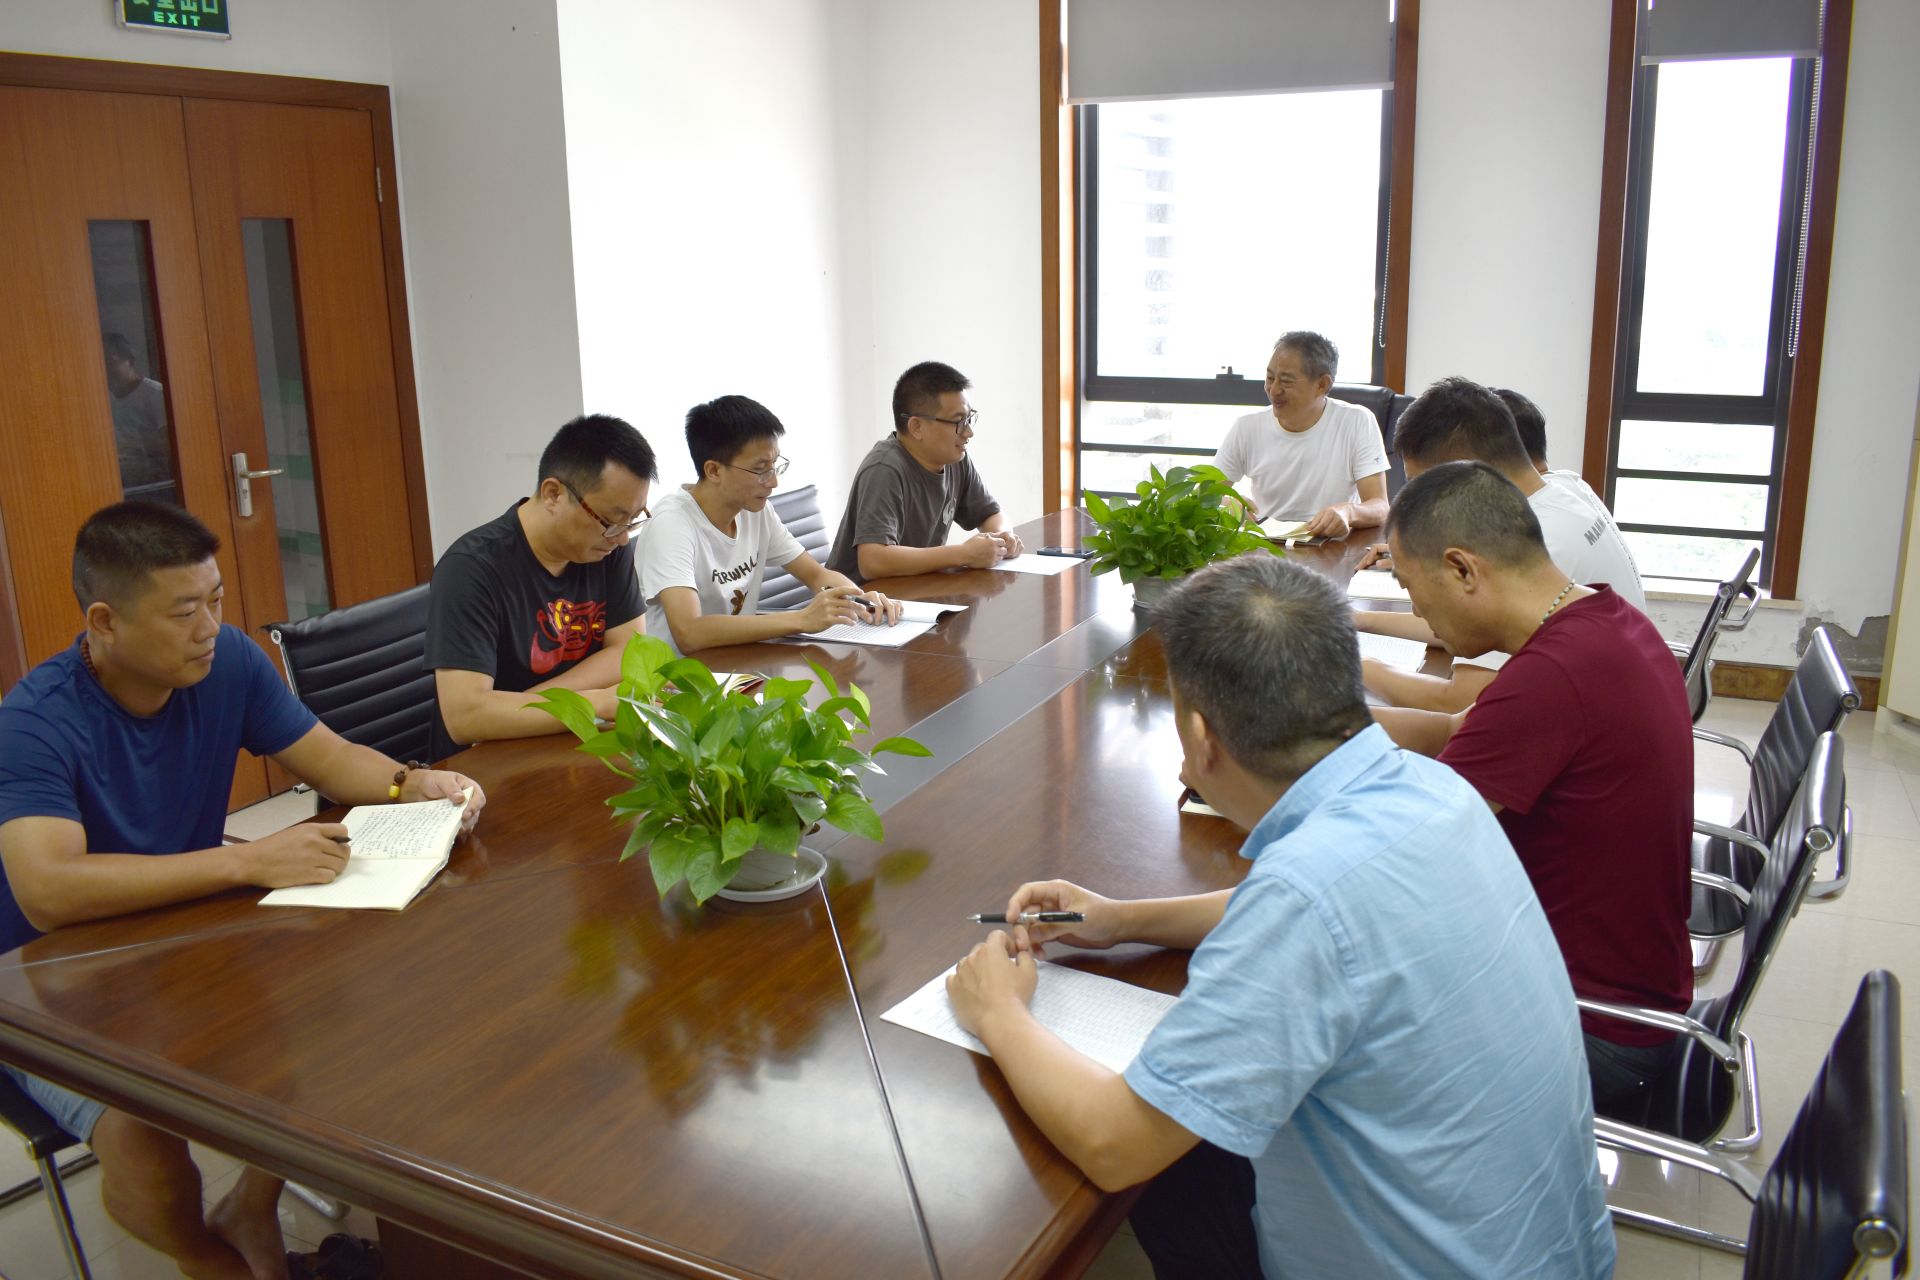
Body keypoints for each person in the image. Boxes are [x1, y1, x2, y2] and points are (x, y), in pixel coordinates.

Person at [945, 554, 1613, 1279]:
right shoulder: (1433, 789)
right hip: (1553, 1254)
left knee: (1160, 1170)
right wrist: (1122, 919)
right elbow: (1329, 914)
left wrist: (998, 1013)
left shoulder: (1303, 900)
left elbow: (1115, 1147)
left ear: (1201, 738)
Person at [0, 501, 486, 1280]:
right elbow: (47, 892)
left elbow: (329, 759)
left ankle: (251, 1208)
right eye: (184, 611)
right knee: (143, 1135)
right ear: (105, 621)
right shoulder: (34, 721)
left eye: (217, 599)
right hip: (51, 977)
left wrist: (411, 782)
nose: (209, 627)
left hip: (180, 925)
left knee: (335, 1014)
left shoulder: (225, 661)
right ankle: (210, 1262)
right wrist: (245, 862)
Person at [1369, 462, 1692, 1115]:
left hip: (1591, 1031)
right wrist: (1305, 721)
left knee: (1304, 1040)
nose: (1417, 611)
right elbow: (1454, 729)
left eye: (1409, 588)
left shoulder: (1553, 679)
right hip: (1626, 996)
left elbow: (1388, 866)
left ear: (1462, 569)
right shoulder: (1606, 621)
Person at [1356, 377, 1645, 712]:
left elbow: (1460, 703)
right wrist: (1359, 620)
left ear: (1468, 474)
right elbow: (1461, 628)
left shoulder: (1531, 545)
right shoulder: (1565, 488)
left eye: (1423, 487)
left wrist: (1353, 664)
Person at [426, 414, 656, 753]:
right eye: (612, 520)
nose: (622, 538)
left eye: (633, 520)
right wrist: (591, 703)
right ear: (553, 494)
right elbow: (465, 717)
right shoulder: (471, 570)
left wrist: (535, 703)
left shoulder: (606, 546)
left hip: (569, 738)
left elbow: (628, 652)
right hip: (484, 764)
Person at [640, 395, 902, 654]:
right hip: (678, 675)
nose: (773, 481)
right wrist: (802, 619)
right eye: (760, 469)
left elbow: (816, 575)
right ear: (714, 471)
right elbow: (689, 632)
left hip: (735, 662)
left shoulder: (755, 511)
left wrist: (858, 598)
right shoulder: (671, 524)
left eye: (775, 465)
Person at [825, 361, 1024, 579]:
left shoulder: (954, 458)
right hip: (862, 596)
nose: (968, 432)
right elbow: (872, 562)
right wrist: (963, 554)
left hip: (916, 589)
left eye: (969, 419)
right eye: (958, 421)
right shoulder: (884, 470)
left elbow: (990, 513)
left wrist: (1002, 537)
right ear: (917, 427)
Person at [1209, 331, 1388, 538]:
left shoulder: (1357, 421)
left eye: (1286, 381)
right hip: (1268, 545)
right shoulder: (1246, 427)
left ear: (1322, 385)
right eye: (1270, 378)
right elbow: (1205, 495)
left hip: (1332, 546)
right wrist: (1226, 502)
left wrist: (1349, 512)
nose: (1273, 390)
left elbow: (1380, 506)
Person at [103, 331, 175, 497]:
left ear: (130, 361)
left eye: (111, 360)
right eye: (102, 363)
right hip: (120, 483)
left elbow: (170, 446)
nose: (107, 368)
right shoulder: (103, 399)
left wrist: (135, 445)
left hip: (156, 485)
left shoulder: (156, 394)